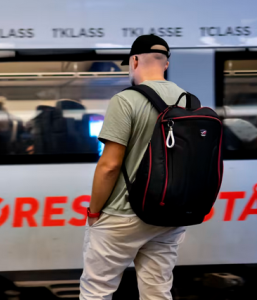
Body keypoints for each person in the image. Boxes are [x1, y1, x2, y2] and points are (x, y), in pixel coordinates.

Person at [80, 34, 188, 300]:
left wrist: (94, 211)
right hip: (169, 214)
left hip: (122, 214)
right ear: (165, 63)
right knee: (157, 291)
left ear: (135, 60)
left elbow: (110, 165)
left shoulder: (126, 100)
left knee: (97, 290)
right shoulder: (188, 101)